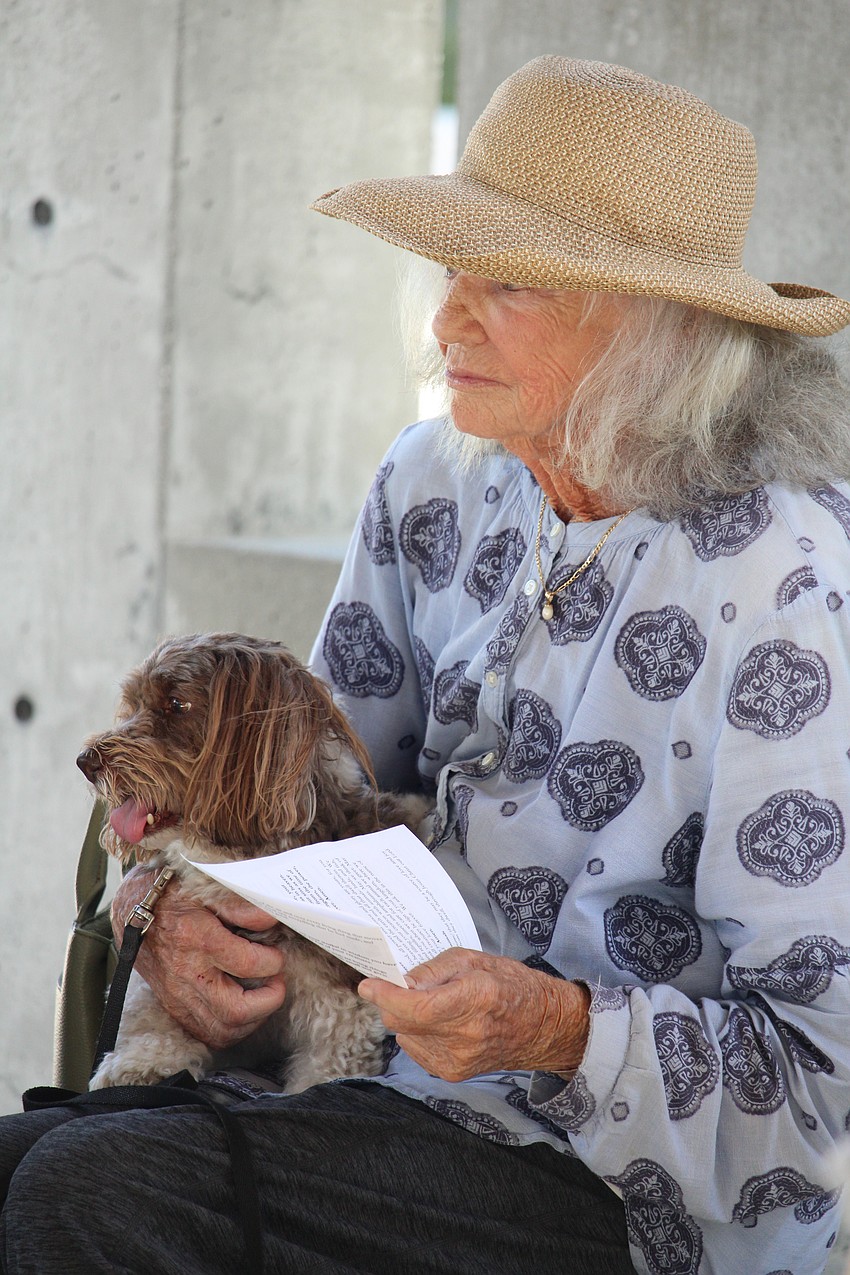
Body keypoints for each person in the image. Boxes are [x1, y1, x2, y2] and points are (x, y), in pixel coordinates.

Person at [4, 55, 850, 1275]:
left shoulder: (793, 587)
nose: (446, 318)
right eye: (452, 267)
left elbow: (821, 1082)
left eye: (507, 282)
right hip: (366, 1069)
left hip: (619, 1179)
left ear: (656, 329)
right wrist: (167, 931)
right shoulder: (436, 476)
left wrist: (554, 1029)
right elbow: (301, 804)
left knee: (97, 1193)